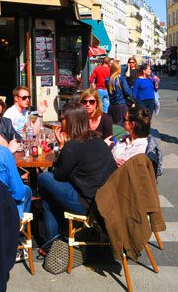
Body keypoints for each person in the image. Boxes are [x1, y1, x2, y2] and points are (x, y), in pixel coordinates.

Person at [37, 102, 115, 247]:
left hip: (88, 204)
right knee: (50, 196)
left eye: (62, 119)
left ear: (70, 121)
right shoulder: (98, 140)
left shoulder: (72, 146)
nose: (60, 122)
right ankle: (55, 238)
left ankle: (51, 242)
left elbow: (59, 175)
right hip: (107, 199)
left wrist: (61, 147)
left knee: (43, 179)